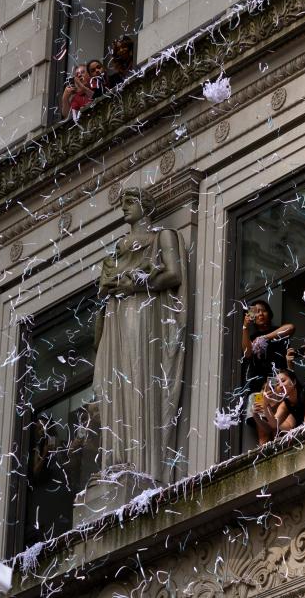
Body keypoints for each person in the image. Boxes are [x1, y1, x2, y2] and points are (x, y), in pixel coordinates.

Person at [92, 187, 188, 485]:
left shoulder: (163, 236)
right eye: (122, 203)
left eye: (130, 202)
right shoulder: (118, 247)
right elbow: (104, 288)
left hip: (142, 310)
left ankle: (142, 460)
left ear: (145, 205)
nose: (124, 208)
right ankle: (118, 459)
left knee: (138, 375)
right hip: (117, 314)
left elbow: (174, 275)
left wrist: (137, 284)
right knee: (117, 380)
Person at [240, 300, 294, 393]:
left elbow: (291, 327)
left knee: (275, 401)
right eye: (256, 311)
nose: (261, 314)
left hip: (278, 379)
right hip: (258, 384)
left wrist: (265, 337)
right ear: (252, 317)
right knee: (259, 405)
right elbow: (247, 353)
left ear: (269, 314)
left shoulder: (277, 331)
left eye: (264, 310)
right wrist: (245, 326)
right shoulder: (252, 338)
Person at [251, 370, 305, 445]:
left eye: (283, 381)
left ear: (294, 381)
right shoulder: (285, 404)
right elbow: (274, 424)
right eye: (277, 384)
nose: (280, 385)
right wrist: (265, 405)